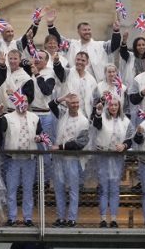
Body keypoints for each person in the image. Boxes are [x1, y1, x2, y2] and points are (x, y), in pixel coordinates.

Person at [0, 94, 42, 227]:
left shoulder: (35, 117)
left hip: (29, 159)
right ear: (15, 103)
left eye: (26, 101)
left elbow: (41, 134)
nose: (23, 103)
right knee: (11, 188)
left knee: (28, 189)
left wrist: (40, 138)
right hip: (12, 159)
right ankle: (12, 217)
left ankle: (28, 218)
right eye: (21, 101)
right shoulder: (7, 118)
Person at [91, 97, 134, 227]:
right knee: (104, 188)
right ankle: (103, 218)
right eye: (111, 105)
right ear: (107, 106)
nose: (113, 107)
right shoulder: (102, 117)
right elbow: (96, 124)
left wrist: (124, 146)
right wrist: (98, 112)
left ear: (119, 106)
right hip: (103, 156)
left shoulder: (125, 120)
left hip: (117, 158)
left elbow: (130, 138)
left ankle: (114, 218)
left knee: (114, 189)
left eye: (116, 105)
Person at [50, 93, 90, 227]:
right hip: (58, 159)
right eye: (73, 103)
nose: (75, 105)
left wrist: (60, 147)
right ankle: (61, 217)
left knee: (73, 189)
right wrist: (62, 98)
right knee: (59, 188)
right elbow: (51, 105)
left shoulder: (84, 120)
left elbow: (80, 143)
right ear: (67, 104)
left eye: (77, 102)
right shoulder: (63, 113)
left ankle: (72, 218)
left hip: (73, 159)